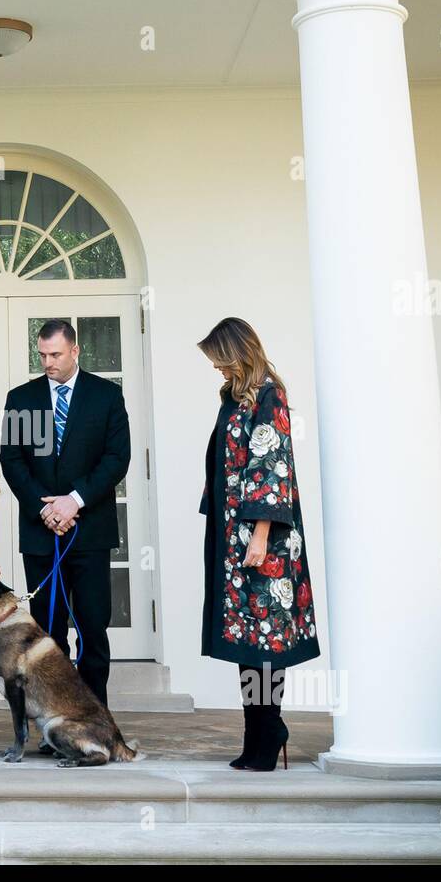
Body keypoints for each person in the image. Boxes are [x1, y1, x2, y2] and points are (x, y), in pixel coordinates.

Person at [197, 317, 319, 772]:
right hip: (234, 535)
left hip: (262, 538)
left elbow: (272, 467)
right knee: (247, 640)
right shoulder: (234, 396)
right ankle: (258, 731)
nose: (216, 368)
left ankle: (268, 732)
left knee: (265, 636)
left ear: (238, 352)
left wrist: (261, 536)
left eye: (219, 359)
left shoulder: (271, 395)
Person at [0, 319, 130, 728]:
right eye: (42, 355)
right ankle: (52, 722)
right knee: (47, 636)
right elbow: (11, 460)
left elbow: (116, 459)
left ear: (75, 351)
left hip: (90, 532)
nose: (48, 363)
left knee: (93, 629)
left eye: (55, 355)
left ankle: (94, 721)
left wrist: (74, 501)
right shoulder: (21, 398)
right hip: (42, 535)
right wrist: (46, 509)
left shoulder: (107, 396)